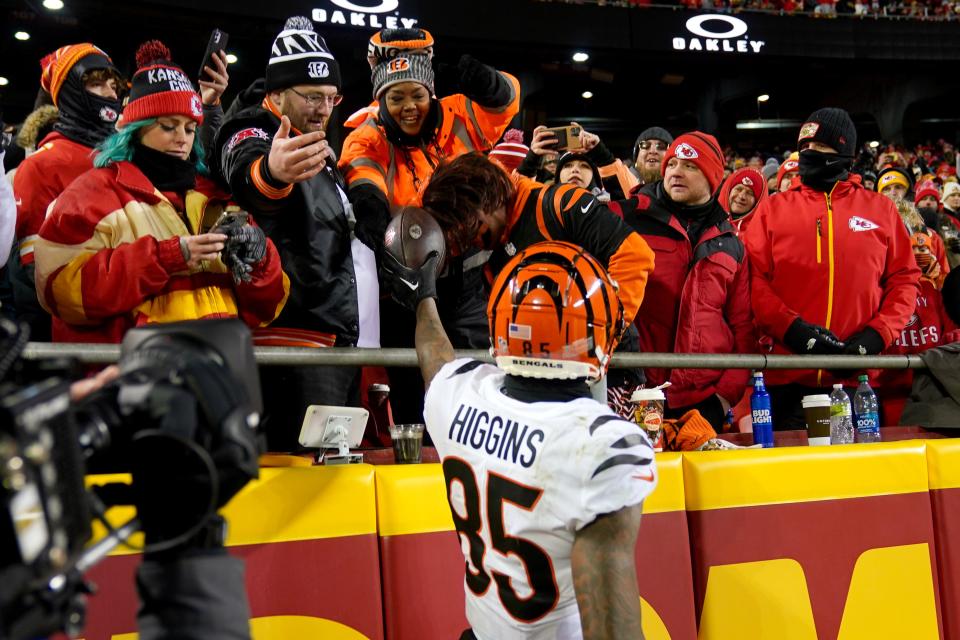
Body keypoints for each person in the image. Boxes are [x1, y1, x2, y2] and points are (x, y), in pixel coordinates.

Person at [383, 240, 656, 639]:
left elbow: (434, 356)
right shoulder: (601, 445)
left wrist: (424, 296)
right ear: (599, 341)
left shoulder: (458, 396)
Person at [33, 41, 288, 344]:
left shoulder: (216, 197)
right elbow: (59, 291)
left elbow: (269, 309)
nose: (182, 138)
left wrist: (261, 261)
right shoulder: (91, 194)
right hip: (135, 381)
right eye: (168, 126)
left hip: (218, 376)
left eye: (190, 128)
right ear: (135, 128)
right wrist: (166, 258)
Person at [215, 17, 374, 449]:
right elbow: (244, 166)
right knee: (301, 478)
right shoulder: (253, 128)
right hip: (292, 344)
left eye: (331, 97)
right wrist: (270, 172)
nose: (324, 109)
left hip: (334, 340)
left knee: (333, 478)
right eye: (312, 97)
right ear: (277, 93)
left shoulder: (318, 145)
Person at [743, 108, 921, 428]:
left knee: (859, 476)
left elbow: (904, 279)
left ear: (845, 152)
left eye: (821, 148)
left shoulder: (880, 209)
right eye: (805, 148)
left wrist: (878, 335)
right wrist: (790, 329)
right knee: (789, 475)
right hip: (787, 377)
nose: (810, 154)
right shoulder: (772, 209)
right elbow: (753, 279)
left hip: (859, 382)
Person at [608, 132, 754, 430]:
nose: (675, 171)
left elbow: (743, 329)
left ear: (713, 177)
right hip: (636, 390)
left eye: (689, 166)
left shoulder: (732, 243)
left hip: (704, 397)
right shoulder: (630, 218)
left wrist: (724, 398)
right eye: (672, 163)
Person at [423, 152, 655, 333]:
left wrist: (601, 332)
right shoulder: (490, 258)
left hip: (604, 367)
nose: (470, 241)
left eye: (471, 226)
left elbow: (635, 255)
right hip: (540, 368)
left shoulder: (559, 204)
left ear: (487, 200)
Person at [11, 43, 124, 341]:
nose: (112, 94)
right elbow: (36, 271)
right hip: (64, 329)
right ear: (71, 92)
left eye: (114, 85)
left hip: (126, 318)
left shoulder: (125, 158)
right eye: (97, 84)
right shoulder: (41, 164)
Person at [876, 226, 959, 425]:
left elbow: (953, 334)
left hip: (932, 396)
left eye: (923, 249)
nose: (917, 254)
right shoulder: (876, 296)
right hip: (888, 394)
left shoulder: (936, 295)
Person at [915, 180, 960, 270]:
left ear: (937, 204)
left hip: (951, 273)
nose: (928, 202)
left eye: (932, 199)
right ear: (917, 203)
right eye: (924, 199)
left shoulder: (947, 221)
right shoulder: (908, 222)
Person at [719, 167, 767, 233]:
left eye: (750, 193)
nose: (742, 196)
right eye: (738, 189)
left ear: (757, 202)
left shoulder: (761, 234)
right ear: (729, 191)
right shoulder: (708, 222)